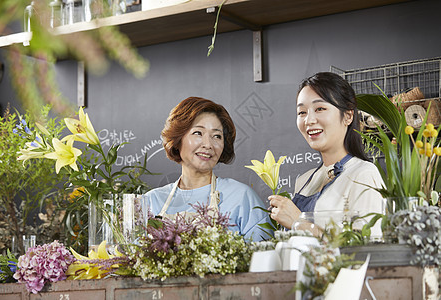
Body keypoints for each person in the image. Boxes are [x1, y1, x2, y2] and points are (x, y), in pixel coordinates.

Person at [269, 72, 384, 236]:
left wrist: (298, 222)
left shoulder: (364, 174)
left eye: (320, 109)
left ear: (348, 116)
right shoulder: (303, 181)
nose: (309, 120)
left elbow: (368, 250)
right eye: (302, 112)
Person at [145, 96, 272, 242]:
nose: (208, 144)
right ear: (177, 139)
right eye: (198, 133)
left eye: (217, 136)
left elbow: (265, 257)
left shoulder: (242, 197)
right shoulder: (151, 201)